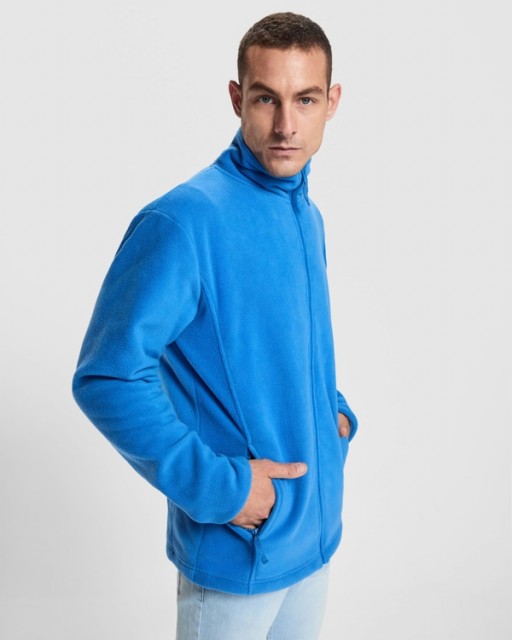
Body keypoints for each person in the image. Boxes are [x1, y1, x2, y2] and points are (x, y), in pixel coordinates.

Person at [72, 12, 358, 640]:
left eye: (305, 99)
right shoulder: (184, 221)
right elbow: (106, 377)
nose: (286, 125)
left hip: (313, 539)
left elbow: (286, 349)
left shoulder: (306, 215)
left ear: (331, 102)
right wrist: (225, 491)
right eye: (266, 98)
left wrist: (332, 419)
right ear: (237, 98)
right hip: (238, 549)